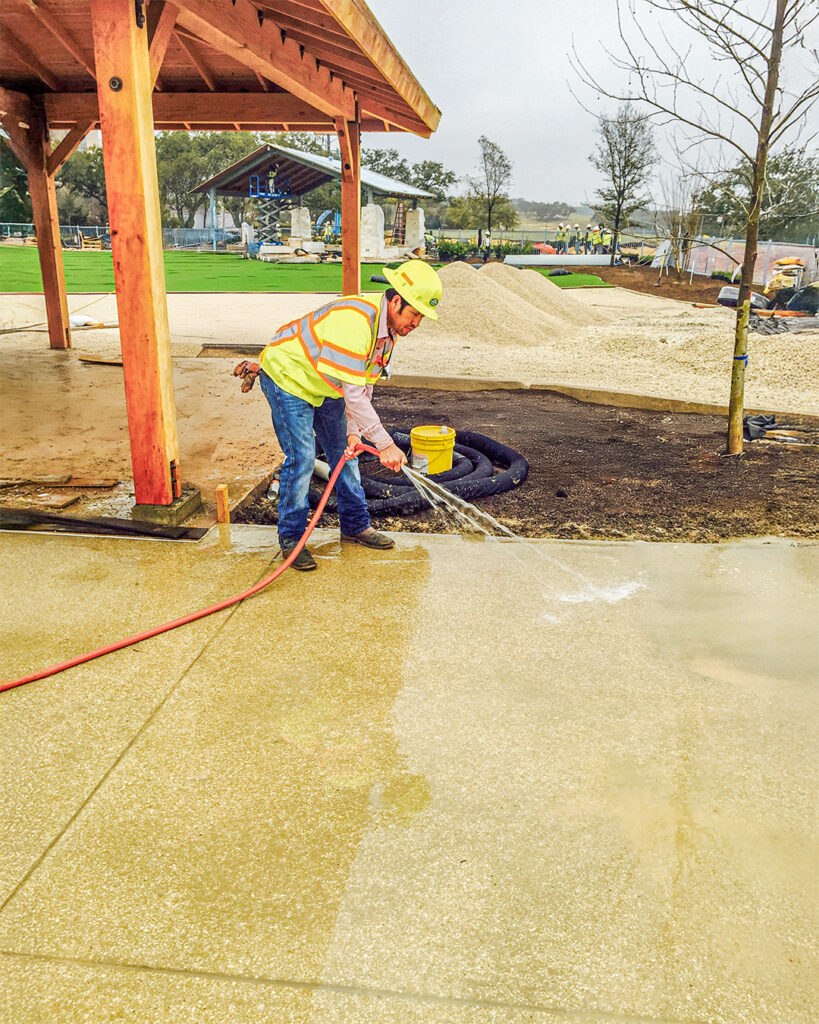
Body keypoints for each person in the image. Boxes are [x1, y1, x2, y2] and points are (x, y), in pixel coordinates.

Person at [235, 260, 443, 572]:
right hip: (289, 376)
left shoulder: (388, 334)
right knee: (303, 456)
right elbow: (356, 394)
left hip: (326, 385)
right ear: (397, 301)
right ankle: (292, 539)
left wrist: (355, 434)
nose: (417, 323)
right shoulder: (356, 321)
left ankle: (356, 525)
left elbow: (364, 388)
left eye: (422, 318)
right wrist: (385, 444)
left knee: (346, 454)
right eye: (415, 314)